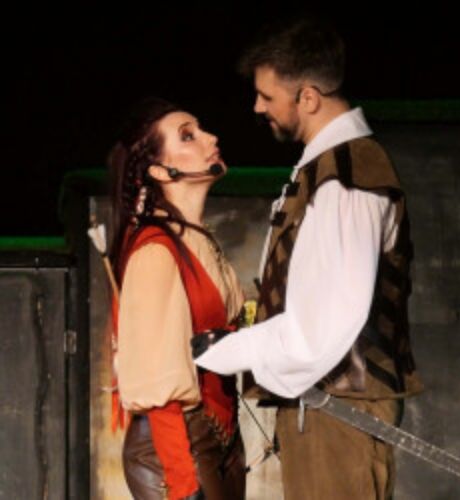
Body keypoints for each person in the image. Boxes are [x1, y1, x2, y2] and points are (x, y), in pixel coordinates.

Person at [194, 17, 423, 500]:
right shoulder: (325, 170)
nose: (258, 107)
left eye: (267, 96)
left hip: (340, 411)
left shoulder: (347, 178)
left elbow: (323, 326)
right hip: (324, 409)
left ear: (309, 98)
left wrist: (228, 350)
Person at [108, 97, 246, 500]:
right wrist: (183, 483)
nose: (210, 138)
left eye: (200, 129)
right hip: (176, 447)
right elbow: (156, 375)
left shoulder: (198, 242)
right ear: (159, 170)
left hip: (222, 441)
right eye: (188, 136)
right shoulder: (156, 251)